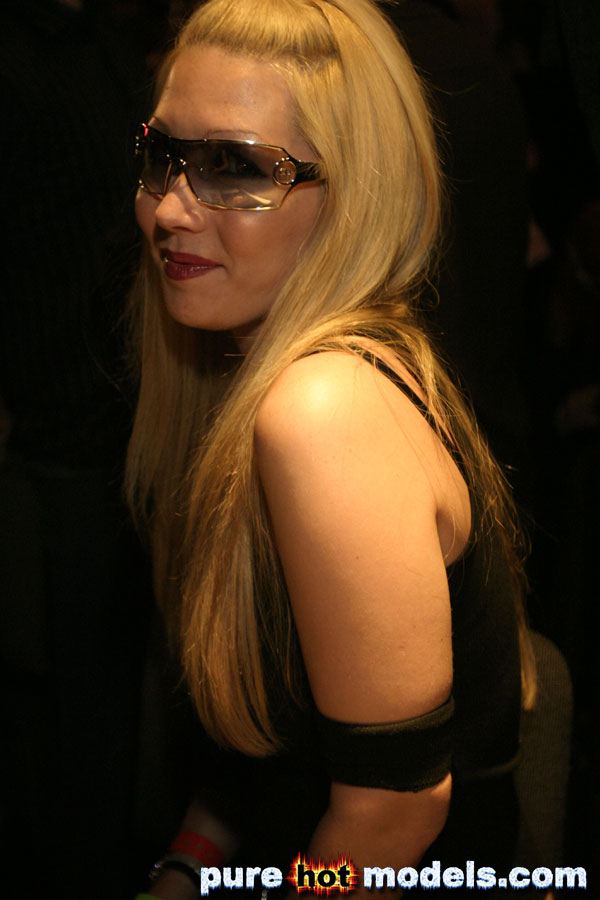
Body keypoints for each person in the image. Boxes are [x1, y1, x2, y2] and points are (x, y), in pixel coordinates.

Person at [126, 0, 537, 896]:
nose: (170, 208)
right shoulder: (237, 374)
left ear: (353, 196)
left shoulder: (324, 410)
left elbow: (393, 813)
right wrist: (186, 866)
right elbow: (259, 758)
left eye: (237, 168)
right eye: (163, 156)